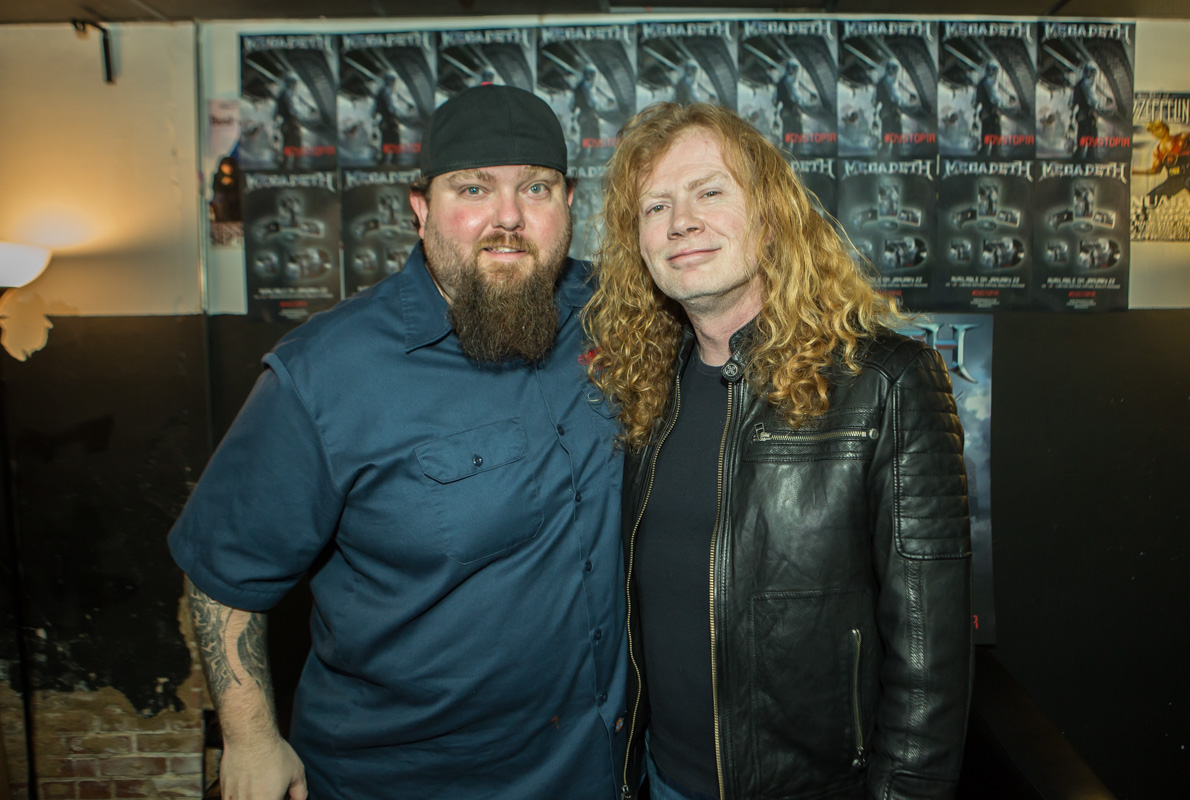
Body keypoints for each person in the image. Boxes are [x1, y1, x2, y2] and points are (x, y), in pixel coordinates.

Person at [170, 85, 628, 800]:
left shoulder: (619, 317)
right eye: (472, 188)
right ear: (421, 209)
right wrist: (252, 739)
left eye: (535, 188)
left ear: (569, 202)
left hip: (597, 770)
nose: (509, 216)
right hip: (404, 779)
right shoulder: (325, 373)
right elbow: (222, 572)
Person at [583, 102, 973, 800]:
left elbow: (932, 658)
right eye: (655, 206)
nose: (681, 222)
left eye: (709, 192)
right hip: (661, 784)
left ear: (770, 216)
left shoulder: (886, 383)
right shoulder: (643, 393)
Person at [1132, 119, 1190, 202]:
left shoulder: (1182, 138)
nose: (1155, 132)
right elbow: (1155, 170)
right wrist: (1135, 171)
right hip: (1173, 181)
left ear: (1165, 128)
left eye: (1157, 128)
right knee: (1149, 199)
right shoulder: (1157, 151)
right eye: (1152, 131)